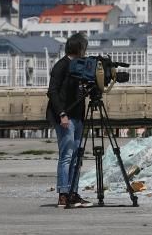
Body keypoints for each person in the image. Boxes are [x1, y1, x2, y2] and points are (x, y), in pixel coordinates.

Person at [46, 33, 93, 209]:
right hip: (65, 117)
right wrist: (62, 114)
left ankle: (73, 193)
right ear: (78, 48)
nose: (85, 51)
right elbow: (52, 92)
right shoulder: (62, 66)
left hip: (78, 116)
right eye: (84, 48)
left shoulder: (80, 67)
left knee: (76, 157)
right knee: (66, 156)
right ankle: (63, 194)